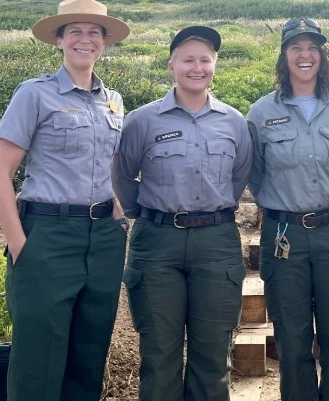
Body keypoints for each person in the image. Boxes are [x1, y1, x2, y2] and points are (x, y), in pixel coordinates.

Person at [0, 0, 131, 401]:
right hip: (47, 236)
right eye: (75, 32)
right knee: (38, 361)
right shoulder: (34, 94)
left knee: (89, 355)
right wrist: (20, 246)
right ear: (59, 40)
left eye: (94, 32)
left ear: (104, 42)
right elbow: (0, 175)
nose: (84, 40)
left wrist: (119, 217)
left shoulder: (114, 101)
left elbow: (114, 168)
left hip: (103, 238)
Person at [114, 25, 251, 401]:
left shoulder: (234, 122)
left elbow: (238, 177)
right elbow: (123, 175)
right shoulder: (143, 121)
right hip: (157, 243)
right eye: (188, 59)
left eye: (205, 60)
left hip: (216, 241)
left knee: (212, 358)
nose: (197, 67)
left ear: (214, 66)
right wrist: (141, 211)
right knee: (159, 356)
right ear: (171, 65)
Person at [246, 17, 329, 401]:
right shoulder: (261, 113)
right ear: (284, 55)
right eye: (295, 47)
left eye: (312, 47)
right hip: (284, 235)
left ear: (322, 54)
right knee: (292, 340)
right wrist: (285, 207)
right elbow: (256, 174)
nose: (304, 55)